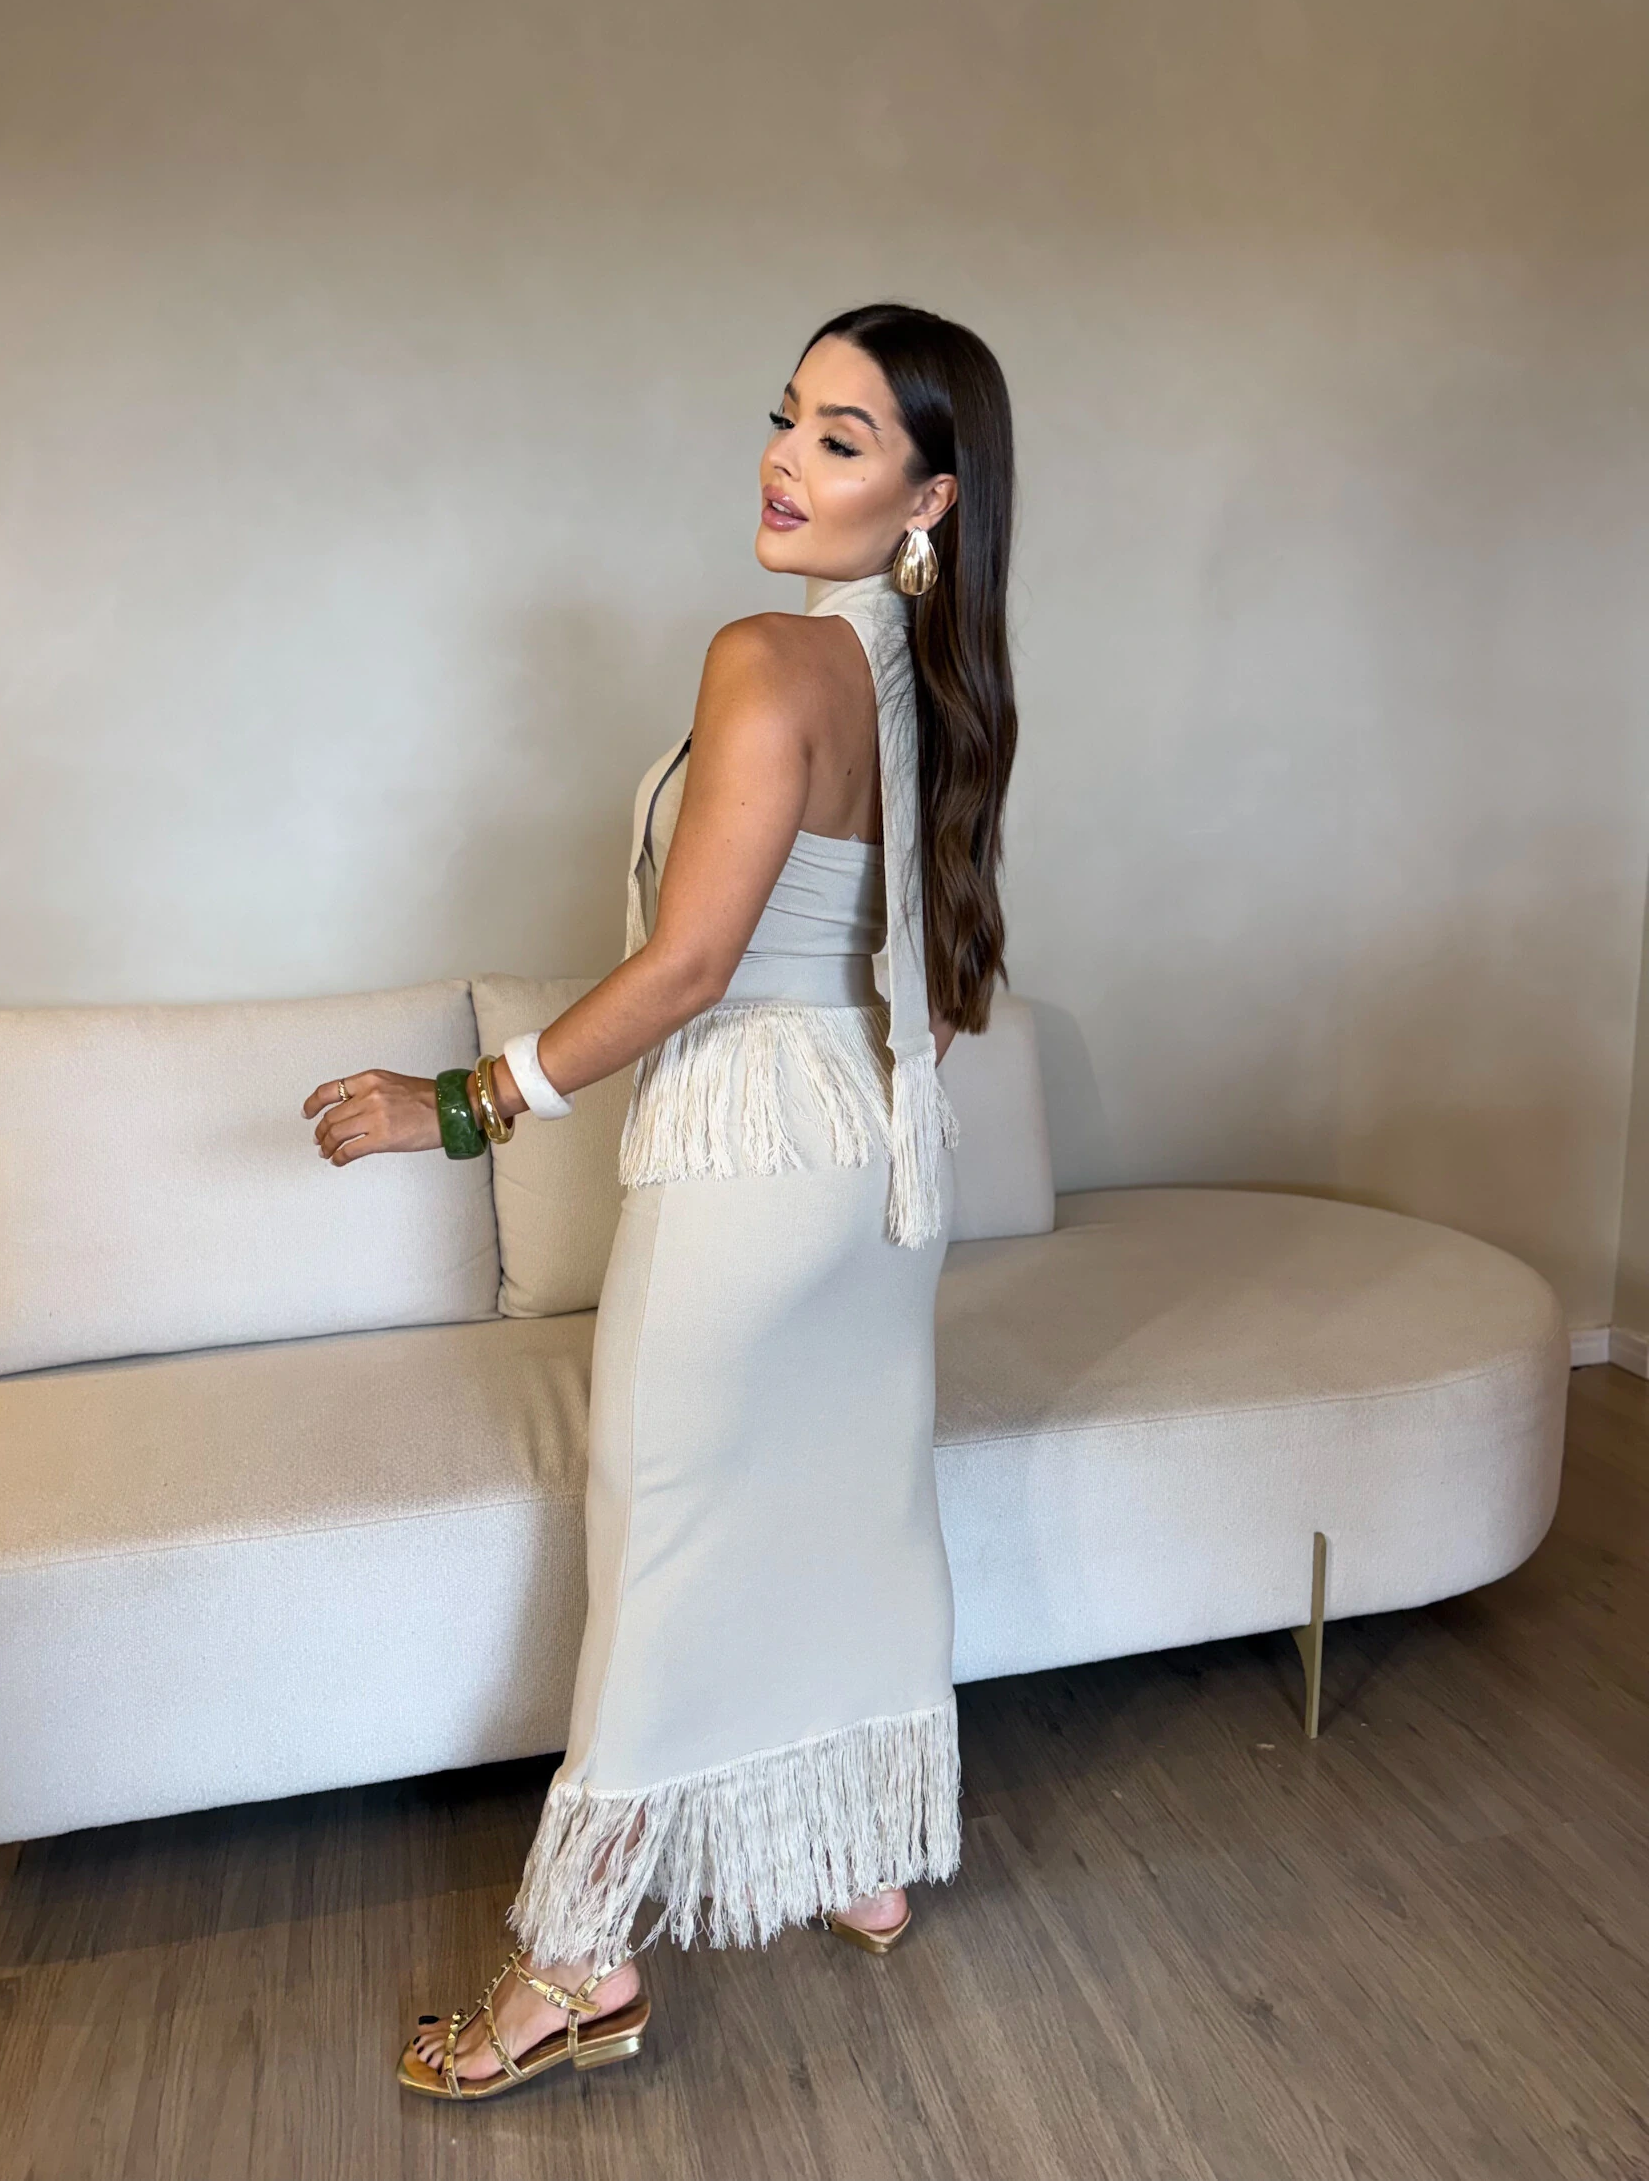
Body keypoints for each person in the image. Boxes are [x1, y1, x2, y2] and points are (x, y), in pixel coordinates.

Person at [303, 302, 1017, 2100]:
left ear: (928, 496)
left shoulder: (768, 658)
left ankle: (580, 1961)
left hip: (750, 1149)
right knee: (857, 1496)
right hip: (882, 1145)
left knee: (663, 1535)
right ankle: (862, 1851)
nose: (784, 459)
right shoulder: (943, 692)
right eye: (787, 418)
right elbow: (943, 977)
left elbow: (692, 963)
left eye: (842, 439)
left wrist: (462, 1103)